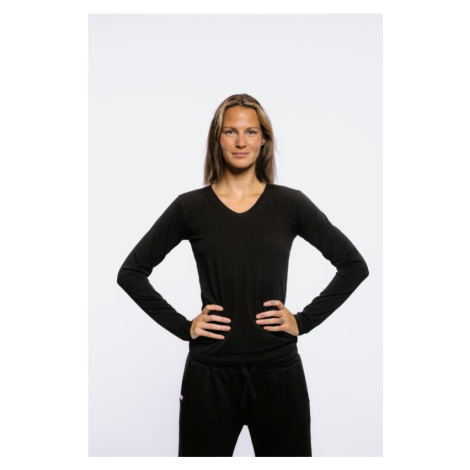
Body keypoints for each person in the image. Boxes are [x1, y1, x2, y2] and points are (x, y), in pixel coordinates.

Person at [116, 93, 369, 457]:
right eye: (230, 131)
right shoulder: (190, 207)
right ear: (217, 138)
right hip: (209, 376)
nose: (240, 141)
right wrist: (183, 327)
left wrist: (303, 321)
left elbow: (353, 265)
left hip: (279, 374)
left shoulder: (290, 203)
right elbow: (131, 273)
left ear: (264, 139)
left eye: (250, 132)